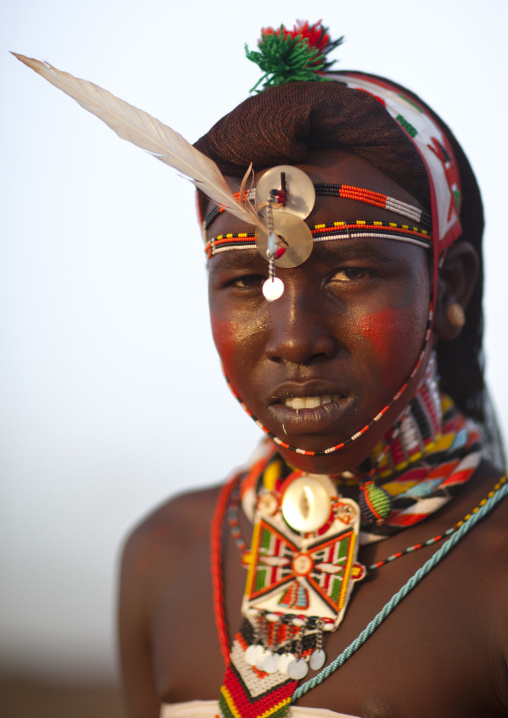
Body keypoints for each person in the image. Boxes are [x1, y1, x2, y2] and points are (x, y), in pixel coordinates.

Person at [16, 20, 508, 718]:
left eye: (353, 273)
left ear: (449, 287)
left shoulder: (495, 576)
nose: (296, 339)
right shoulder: (164, 555)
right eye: (248, 282)